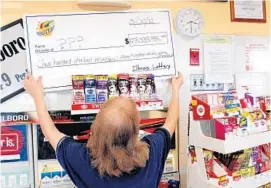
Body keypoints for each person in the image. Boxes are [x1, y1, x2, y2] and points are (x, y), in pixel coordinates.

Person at [23, 72, 183, 188]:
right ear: (136, 132)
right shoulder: (151, 153)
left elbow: (49, 131)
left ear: (96, 128)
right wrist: (176, 89)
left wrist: (37, 96)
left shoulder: (82, 159)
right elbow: (170, 123)